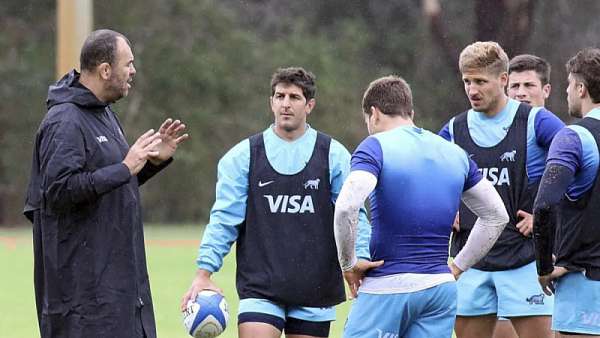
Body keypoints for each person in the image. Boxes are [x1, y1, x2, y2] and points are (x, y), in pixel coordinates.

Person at [180, 67, 371, 338]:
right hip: (261, 287)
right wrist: (204, 271)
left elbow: (353, 215)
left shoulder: (334, 155)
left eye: (294, 97)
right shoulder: (242, 156)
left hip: (313, 288)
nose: (285, 103)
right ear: (271, 102)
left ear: (310, 105)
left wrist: (358, 258)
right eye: (279, 96)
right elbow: (224, 219)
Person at [23, 29, 189, 338]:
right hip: (84, 305)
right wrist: (125, 166)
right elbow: (59, 191)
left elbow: (112, 184)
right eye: (128, 63)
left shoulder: (105, 115)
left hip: (121, 293)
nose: (133, 71)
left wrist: (151, 163)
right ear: (105, 70)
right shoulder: (65, 121)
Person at [335, 75, 509, 338]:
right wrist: (458, 266)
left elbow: (347, 206)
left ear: (373, 114)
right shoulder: (454, 153)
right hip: (439, 288)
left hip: (388, 286)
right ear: (410, 113)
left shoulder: (375, 146)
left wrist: (348, 264)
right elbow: (497, 216)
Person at [438, 41, 564, 338]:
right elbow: (427, 175)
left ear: (503, 80)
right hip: (471, 260)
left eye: (481, 81)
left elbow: (579, 163)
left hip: (524, 259)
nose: (472, 90)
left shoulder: (536, 121)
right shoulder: (454, 130)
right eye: (467, 81)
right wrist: (447, 206)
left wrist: (545, 214)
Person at [533, 47, 600, 337]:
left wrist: (544, 265)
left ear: (581, 88)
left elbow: (545, 205)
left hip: (585, 285)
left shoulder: (573, 137)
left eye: (570, 85)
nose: (567, 93)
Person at [493, 53, 554, 338]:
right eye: (514, 86)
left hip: (534, 258)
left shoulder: (550, 128)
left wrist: (543, 217)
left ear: (546, 90)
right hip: (491, 258)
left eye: (529, 85)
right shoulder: (482, 127)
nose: (521, 93)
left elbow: (583, 177)